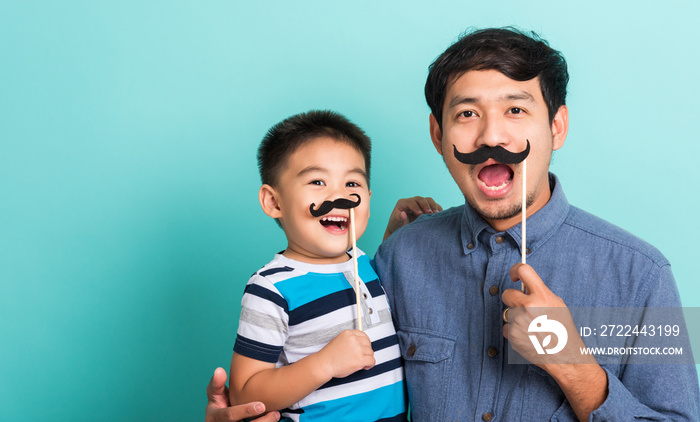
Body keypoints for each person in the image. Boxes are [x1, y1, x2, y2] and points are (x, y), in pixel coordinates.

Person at [207, 28, 700, 421]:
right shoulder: (399, 259)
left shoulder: (642, 275)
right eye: (467, 113)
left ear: (556, 127)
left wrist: (572, 364)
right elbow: (336, 391)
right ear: (438, 135)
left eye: (515, 109)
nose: (491, 135)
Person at [228, 110, 415, 421]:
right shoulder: (271, 288)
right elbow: (245, 393)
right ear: (274, 202)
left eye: (352, 183)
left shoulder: (360, 264)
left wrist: (398, 233)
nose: (339, 197)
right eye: (317, 181)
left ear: (367, 199)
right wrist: (325, 364)